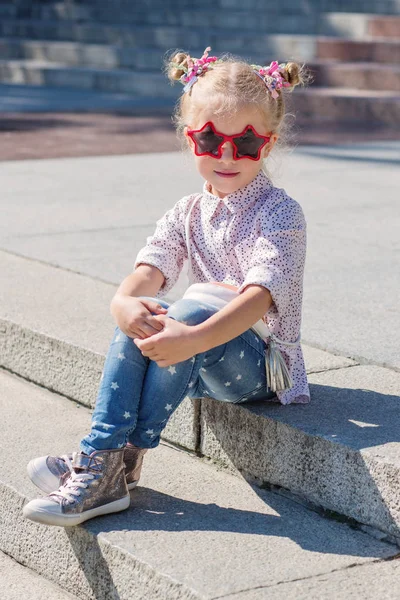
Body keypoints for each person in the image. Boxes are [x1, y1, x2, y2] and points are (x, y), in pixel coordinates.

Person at [23, 47, 310, 527]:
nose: (225, 156)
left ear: (269, 144)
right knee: (145, 307)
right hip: (197, 351)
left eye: (244, 144)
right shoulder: (188, 211)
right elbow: (152, 266)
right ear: (190, 139)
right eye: (210, 140)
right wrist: (122, 301)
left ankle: (107, 461)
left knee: (190, 312)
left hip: (260, 367)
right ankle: (107, 461)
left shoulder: (280, 213)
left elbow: (259, 295)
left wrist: (193, 337)